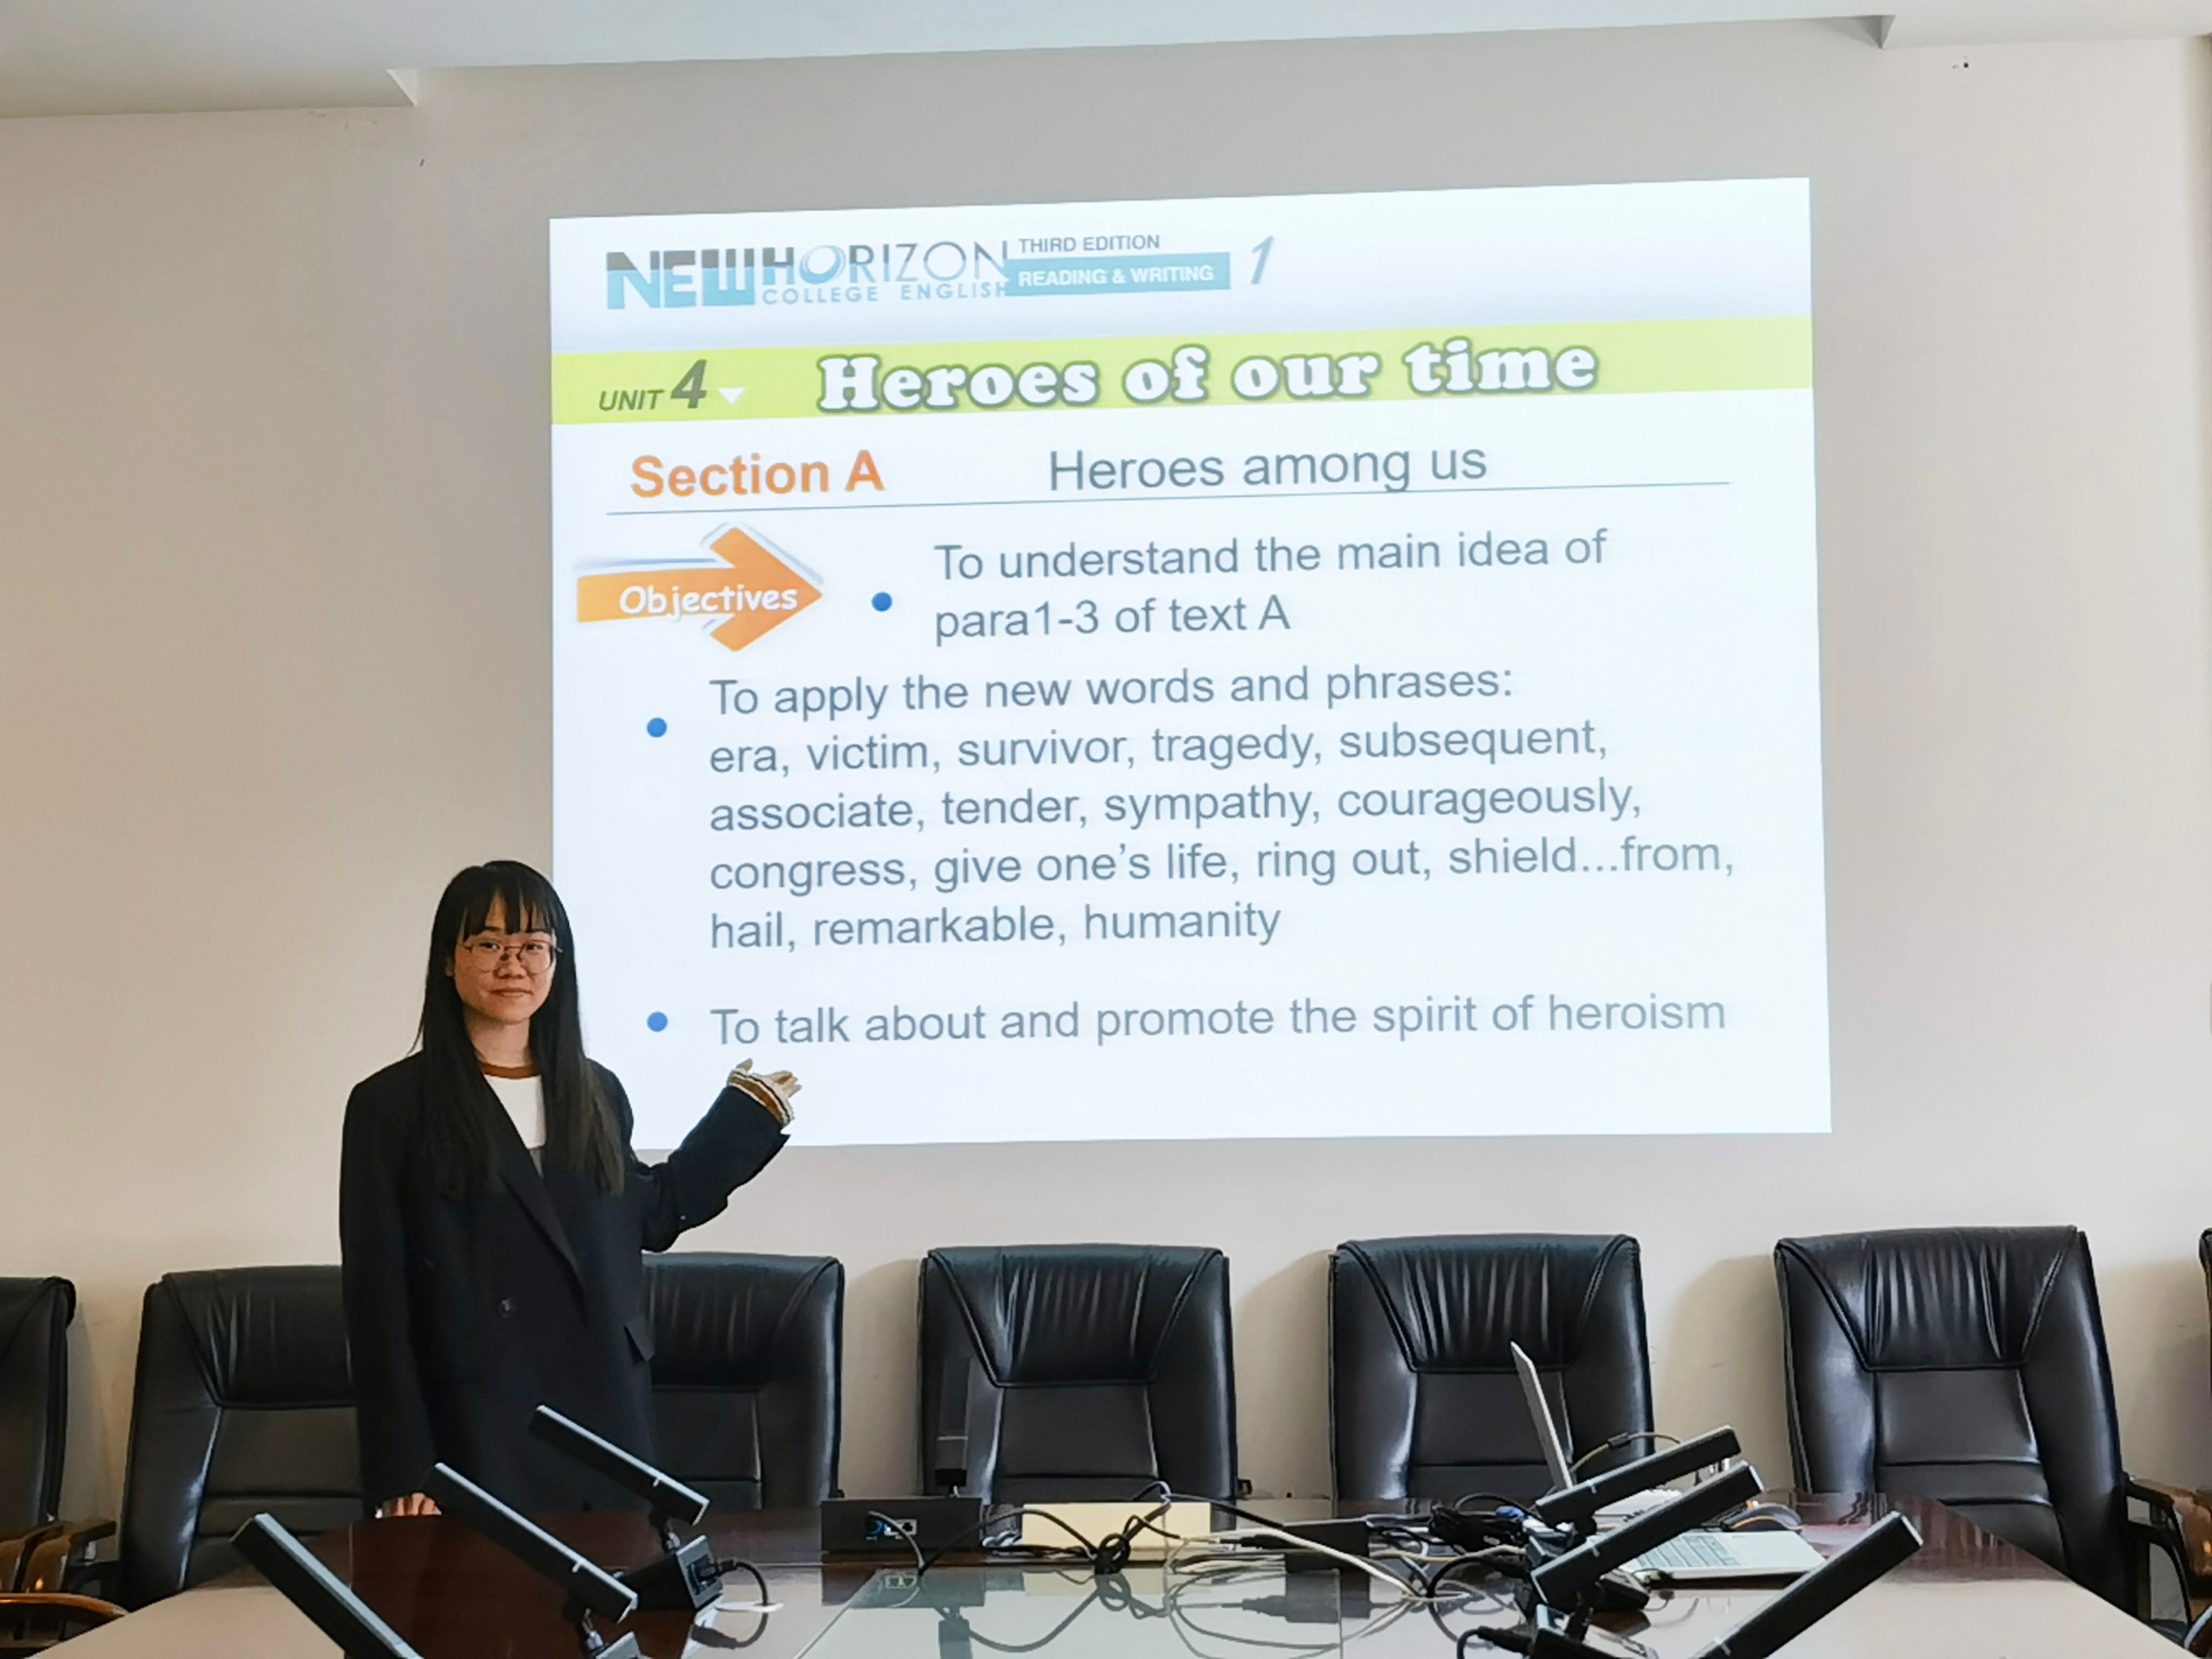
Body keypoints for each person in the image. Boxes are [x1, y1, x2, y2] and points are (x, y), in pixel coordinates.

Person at [341, 860, 795, 1516]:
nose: (513, 965)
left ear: (558, 962)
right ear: (447, 959)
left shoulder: (595, 1090)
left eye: (534, 946)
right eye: (489, 943)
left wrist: (745, 1120)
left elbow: (651, 1216)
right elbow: (377, 1304)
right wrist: (403, 1470)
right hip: (474, 1423)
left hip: (605, 1414)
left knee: (616, 1580)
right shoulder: (390, 1106)